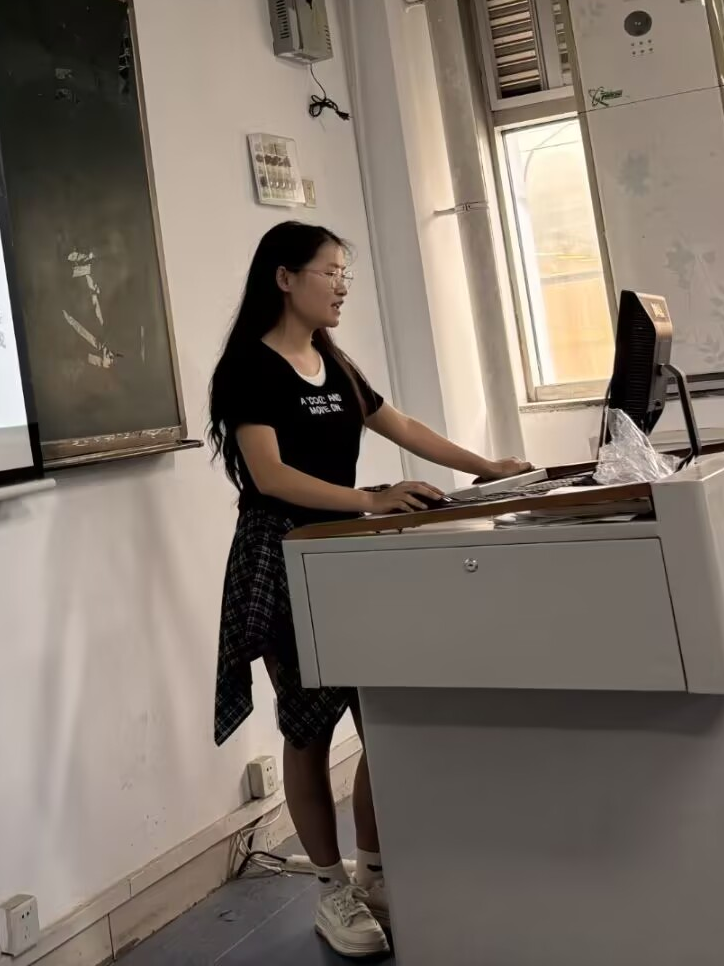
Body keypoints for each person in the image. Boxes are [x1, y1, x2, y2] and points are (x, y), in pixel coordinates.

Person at [208, 222, 529, 958]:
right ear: (285, 277)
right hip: (284, 556)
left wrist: (488, 469)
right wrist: (370, 501)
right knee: (308, 729)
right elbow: (269, 476)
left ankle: (375, 874)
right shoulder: (248, 368)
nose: (342, 286)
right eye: (330, 272)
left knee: (380, 716)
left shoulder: (334, 362)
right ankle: (331, 888)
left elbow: (402, 425)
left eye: (344, 273)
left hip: (347, 555)